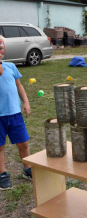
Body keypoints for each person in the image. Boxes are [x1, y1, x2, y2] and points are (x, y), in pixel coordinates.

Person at [0, 35, 32, 190]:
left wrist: (25, 101)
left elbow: (19, 85)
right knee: (0, 147)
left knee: (23, 143)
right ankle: (2, 174)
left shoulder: (11, 67)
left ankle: (28, 169)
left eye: (0, 47)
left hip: (14, 114)